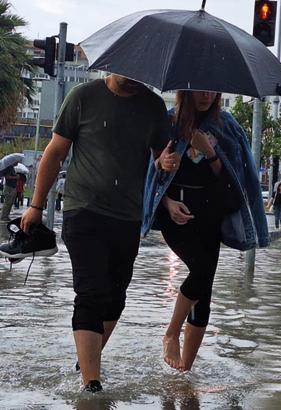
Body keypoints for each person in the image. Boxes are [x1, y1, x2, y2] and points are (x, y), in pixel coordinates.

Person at [19, 74, 171, 393]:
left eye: (138, 77)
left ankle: (85, 359)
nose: (134, 81)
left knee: (115, 298)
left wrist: (167, 162)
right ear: (111, 65)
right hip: (83, 209)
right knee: (91, 292)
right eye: (127, 74)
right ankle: (91, 385)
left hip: (128, 216)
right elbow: (55, 152)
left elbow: (160, 160)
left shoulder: (154, 107)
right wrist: (35, 206)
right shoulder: (82, 97)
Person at [142, 90, 269, 371]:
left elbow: (231, 182)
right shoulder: (167, 123)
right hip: (177, 216)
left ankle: (185, 371)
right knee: (199, 271)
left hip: (211, 217)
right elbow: (150, 173)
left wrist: (210, 152)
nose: (206, 97)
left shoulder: (226, 125)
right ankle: (171, 332)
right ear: (186, 91)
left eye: (212, 92)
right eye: (200, 90)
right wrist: (165, 193)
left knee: (204, 291)